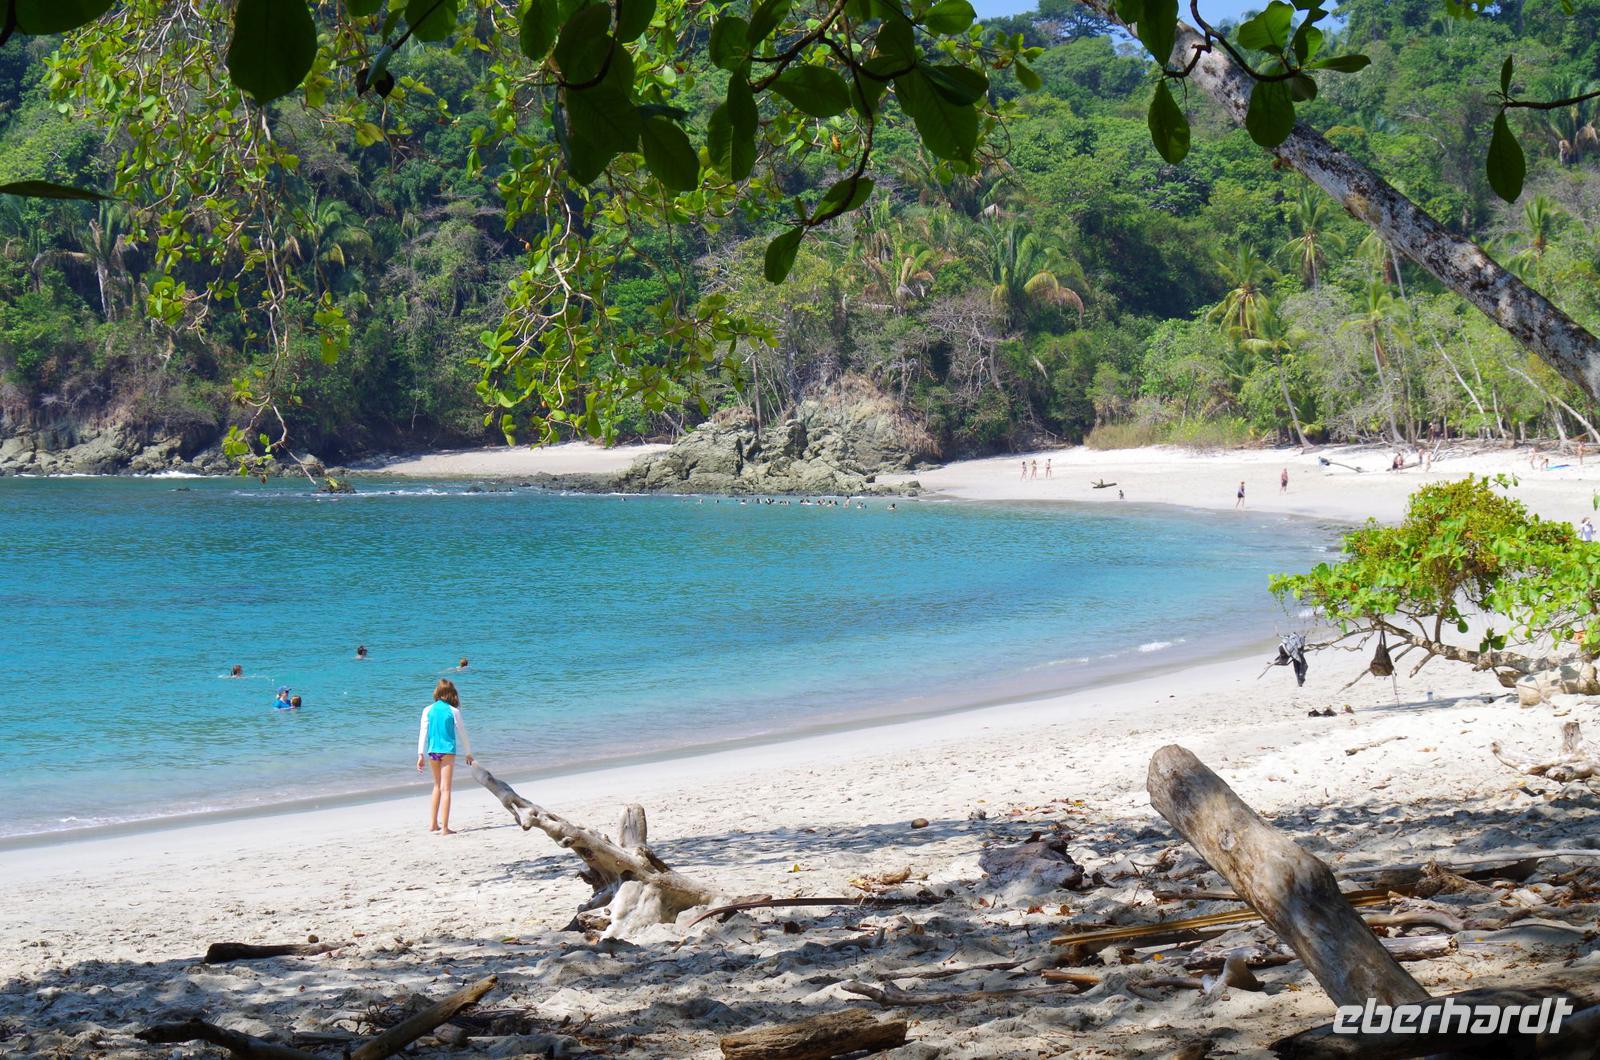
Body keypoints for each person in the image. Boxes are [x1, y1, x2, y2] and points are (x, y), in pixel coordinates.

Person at [416, 678, 475, 834]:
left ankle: (433, 824)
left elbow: (423, 733)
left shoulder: (427, 709)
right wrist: (468, 752)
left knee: (436, 786)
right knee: (446, 789)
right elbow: (463, 733)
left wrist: (420, 754)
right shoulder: (454, 711)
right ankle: (445, 828)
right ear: (451, 693)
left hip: (432, 751)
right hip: (448, 751)